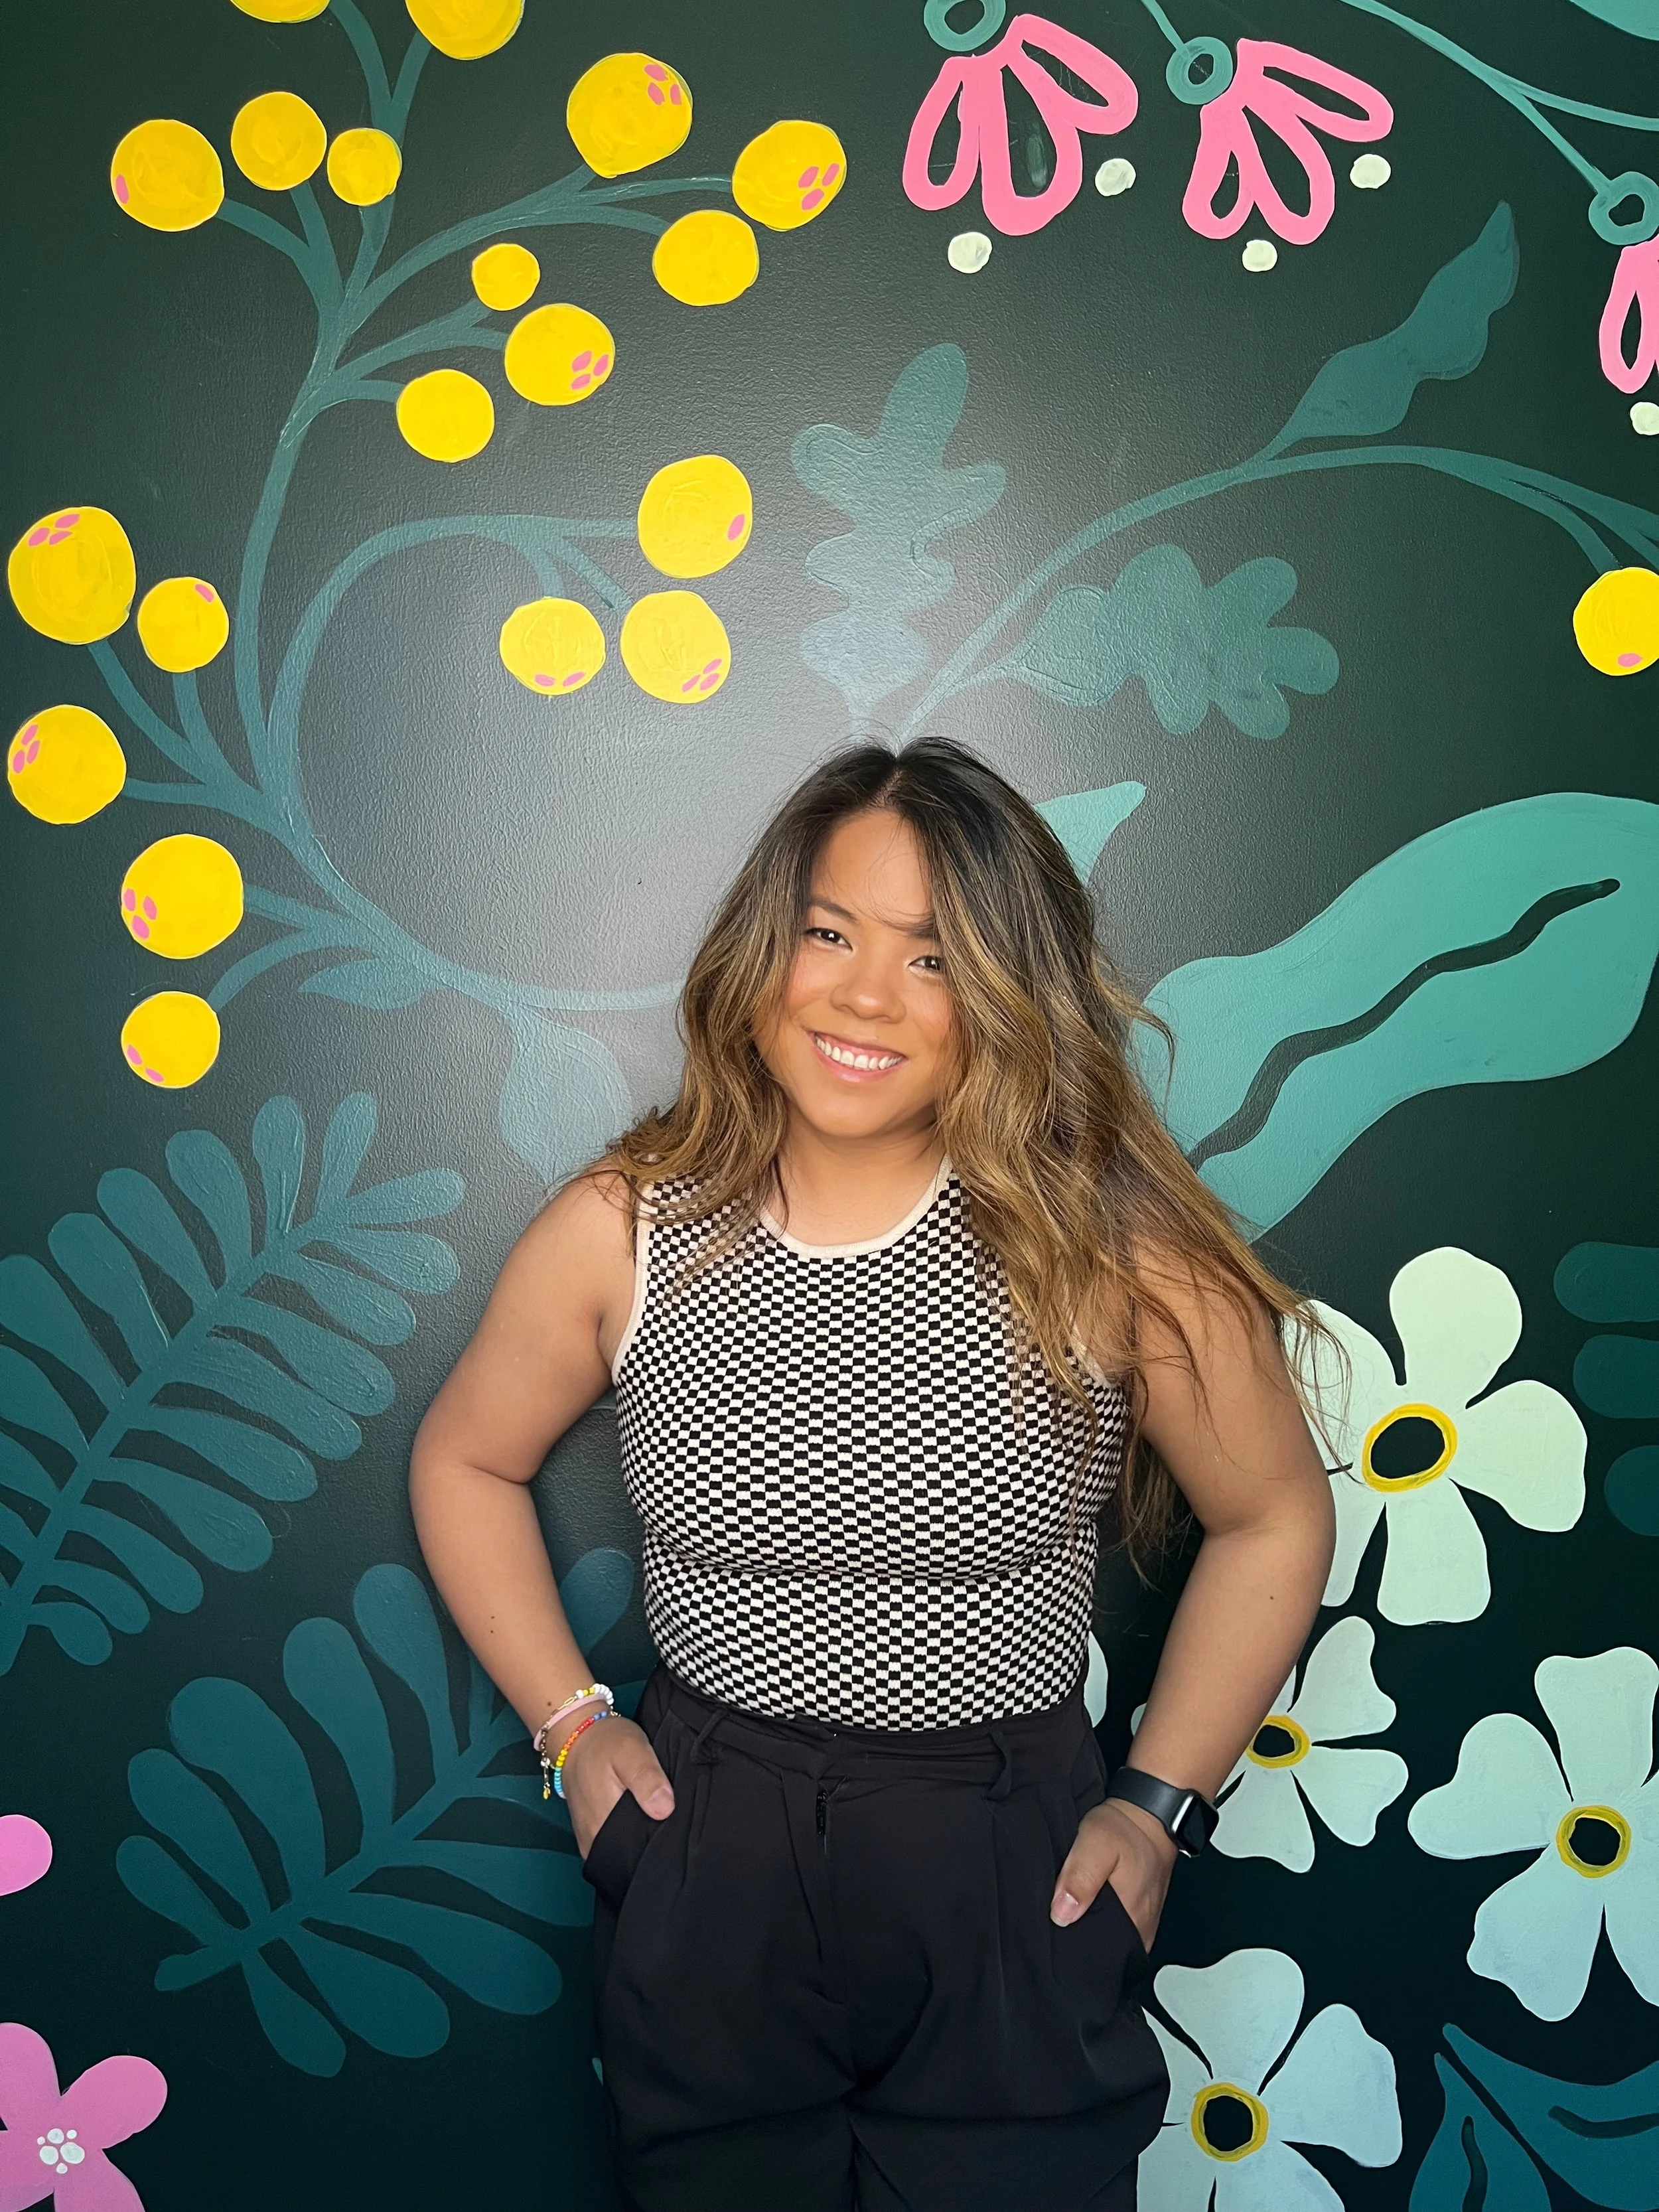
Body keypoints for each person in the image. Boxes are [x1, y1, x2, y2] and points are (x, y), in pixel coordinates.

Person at [409, 737, 1337, 2212]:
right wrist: (572, 1728)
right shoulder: (621, 1226)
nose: (863, 995)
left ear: (1010, 993)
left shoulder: (1111, 1252)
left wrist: (1157, 1802)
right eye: (829, 933)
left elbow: (1272, 1513)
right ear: (762, 949)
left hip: (1008, 1860)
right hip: (710, 1844)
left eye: (933, 958)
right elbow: (465, 1458)